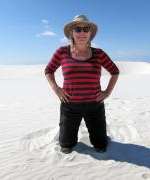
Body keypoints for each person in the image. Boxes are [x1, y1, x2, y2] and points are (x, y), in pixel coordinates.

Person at [45, 15, 119, 154]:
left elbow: (114, 72)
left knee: (101, 146)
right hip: (70, 105)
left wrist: (107, 92)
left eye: (86, 29)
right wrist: (56, 89)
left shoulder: (99, 54)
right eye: (77, 29)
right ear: (71, 33)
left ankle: (100, 137)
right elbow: (49, 70)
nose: (82, 33)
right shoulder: (62, 52)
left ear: (90, 34)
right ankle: (67, 138)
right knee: (66, 145)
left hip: (95, 105)